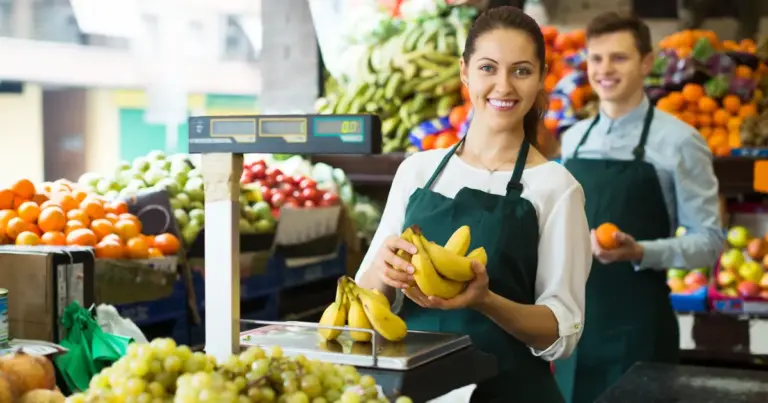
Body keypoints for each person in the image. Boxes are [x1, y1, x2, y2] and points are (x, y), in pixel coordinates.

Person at [355, 7, 592, 403]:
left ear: (540, 78)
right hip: (415, 392)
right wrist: (383, 269)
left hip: (508, 392)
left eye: (521, 71)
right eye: (487, 68)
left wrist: (487, 301)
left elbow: (561, 330)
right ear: (465, 72)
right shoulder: (418, 171)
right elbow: (363, 302)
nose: (503, 86)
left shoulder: (556, 187)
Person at [554, 12, 725, 403]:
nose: (604, 70)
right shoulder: (573, 140)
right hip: (572, 332)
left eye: (619, 58)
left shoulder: (681, 141)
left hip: (638, 334)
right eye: (596, 59)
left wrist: (641, 251)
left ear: (647, 63)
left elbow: (711, 242)